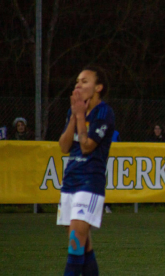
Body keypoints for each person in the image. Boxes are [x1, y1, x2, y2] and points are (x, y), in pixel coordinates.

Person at [57, 65, 115, 275]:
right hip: (70, 182)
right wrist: (74, 116)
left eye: (85, 81)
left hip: (90, 184)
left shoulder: (104, 112)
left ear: (98, 87)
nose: (78, 85)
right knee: (84, 246)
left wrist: (80, 116)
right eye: (77, 82)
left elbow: (87, 146)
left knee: (75, 245)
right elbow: (64, 147)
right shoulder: (74, 111)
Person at [104, 130, 121, 214]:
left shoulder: (115, 133)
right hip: (99, 161)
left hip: (112, 162)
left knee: (109, 183)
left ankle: (107, 205)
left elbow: (120, 147)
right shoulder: (96, 129)